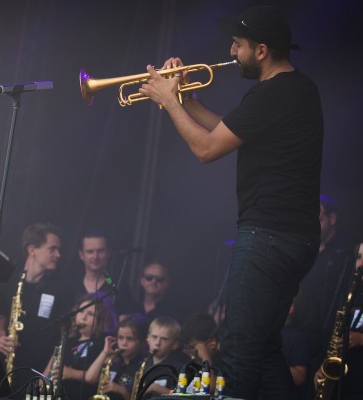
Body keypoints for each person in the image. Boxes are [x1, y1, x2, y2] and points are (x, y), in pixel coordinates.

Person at [139, 5, 323, 399]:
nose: (230, 51)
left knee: (237, 349)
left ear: (261, 51)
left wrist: (168, 101)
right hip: (292, 237)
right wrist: (183, 95)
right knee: (265, 348)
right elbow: (225, 130)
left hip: (268, 235)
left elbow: (206, 149)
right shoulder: (295, 89)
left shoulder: (273, 93)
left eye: (238, 44)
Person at [0, 223, 73, 392]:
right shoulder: (8, 278)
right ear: (32, 249)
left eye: (59, 250)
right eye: (52, 249)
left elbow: (62, 340)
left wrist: (46, 376)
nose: (58, 255)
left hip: (40, 374)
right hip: (7, 370)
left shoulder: (61, 287)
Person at [291, 194, 354, 397]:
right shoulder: (303, 255)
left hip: (331, 339)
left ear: (332, 219)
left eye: (318, 220)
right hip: (304, 340)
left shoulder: (345, 256)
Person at [313, 239, 363, 400]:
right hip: (347, 379)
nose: (361, 263)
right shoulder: (351, 293)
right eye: (359, 257)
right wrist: (324, 365)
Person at [45, 292, 118, 400]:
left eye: (90, 314)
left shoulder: (104, 343)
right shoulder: (68, 341)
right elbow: (46, 373)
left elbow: (94, 378)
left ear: (102, 318)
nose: (83, 317)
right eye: (81, 311)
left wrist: (72, 373)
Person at [72, 229, 137, 319]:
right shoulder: (71, 285)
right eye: (90, 251)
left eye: (101, 251)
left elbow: (125, 323)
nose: (95, 256)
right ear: (81, 255)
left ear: (108, 253)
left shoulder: (117, 285)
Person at [85, 313, 150, 400]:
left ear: (142, 342)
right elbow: (89, 378)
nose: (124, 343)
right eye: (120, 338)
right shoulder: (113, 362)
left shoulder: (144, 366)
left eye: (129, 339)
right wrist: (105, 352)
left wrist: (119, 390)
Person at [142, 316, 190, 399]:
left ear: (175, 345)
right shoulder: (143, 364)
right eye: (154, 337)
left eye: (164, 339)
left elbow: (184, 397)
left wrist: (156, 388)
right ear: (148, 339)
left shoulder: (179, 368)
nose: (157, 343)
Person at [137, 261, 185, 325]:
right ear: (142, 281)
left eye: (159, 279)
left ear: (167, 283)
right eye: (149, 277)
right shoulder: (132, 307)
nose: (153, 281)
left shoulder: (174, 312)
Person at [281, 298, 309, 400]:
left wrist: (270, 363)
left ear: (290, 308)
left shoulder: (296, 337)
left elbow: (300, 377)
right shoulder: (262, 334)